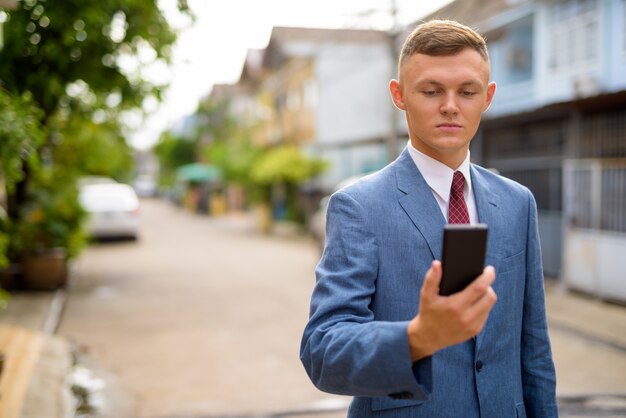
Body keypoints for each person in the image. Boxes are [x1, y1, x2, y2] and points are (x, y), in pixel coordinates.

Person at [300, 19, 558, 417]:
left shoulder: (517, 203)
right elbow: (322, 350)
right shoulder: (359, 206)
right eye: (431, 90)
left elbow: (534, 348)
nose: (450, 105)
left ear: (487, 97)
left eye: (467, 91)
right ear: (399, 95)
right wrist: (416, 338)